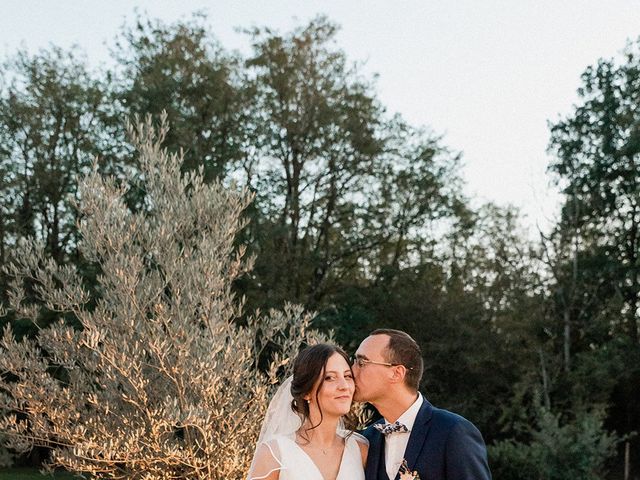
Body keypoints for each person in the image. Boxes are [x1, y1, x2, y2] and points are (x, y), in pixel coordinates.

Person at [354, 329, 491, 480]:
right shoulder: (367, 439)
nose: (351, 371)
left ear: (397, 373)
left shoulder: (452, 431)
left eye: (361, 362)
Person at [248, 343, 369, 480]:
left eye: (347, 376)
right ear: (306, 392)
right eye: (329, 378)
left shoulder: (360, 450)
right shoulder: (275, 453)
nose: (344, 386)